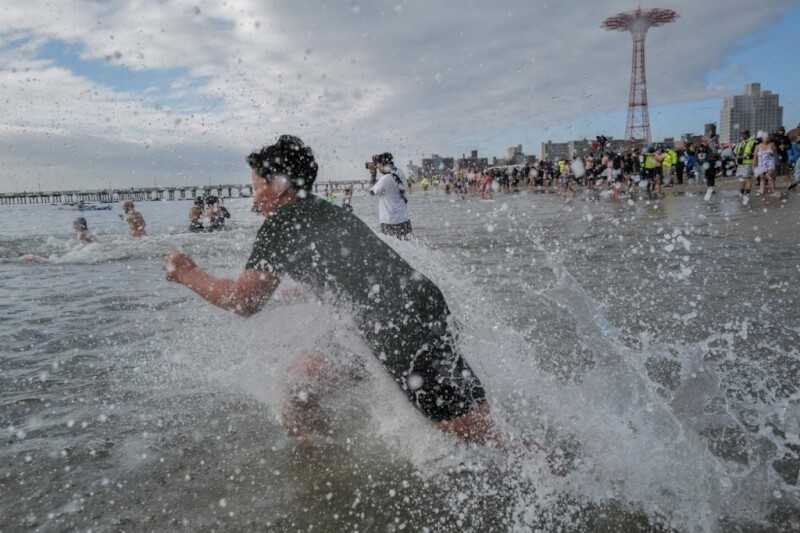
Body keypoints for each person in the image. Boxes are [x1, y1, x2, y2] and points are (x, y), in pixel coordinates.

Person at [162, 135, 499, 449]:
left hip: (397, 323)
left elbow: (243, 300)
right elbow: (355, 269)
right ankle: (328, 473)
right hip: (383, 316)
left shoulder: (281, 222)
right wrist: (308, 294)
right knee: (299, 389)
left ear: (278, 187)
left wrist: (187, 273)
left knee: (477, 437)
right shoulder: (323, 210)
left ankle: (547, 478)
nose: (254, 200)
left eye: (257, 187)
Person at [369, 152, 412, 239]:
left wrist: (373, 174)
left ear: (382, 164)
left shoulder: (385, 179)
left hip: (389, 222)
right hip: (404, 220)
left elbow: (372, 192)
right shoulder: (400, 172)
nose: (377, 167)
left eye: (378, 164)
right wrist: (378, 161)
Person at [734, 130, 757, 201]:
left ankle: (748, 192)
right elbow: (736, 151)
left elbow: (754, 153)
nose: (743, 135)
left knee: (748, 177)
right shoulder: (740, 143)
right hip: (740, 163)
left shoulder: (753, 142)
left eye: (744, 134)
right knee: (741, 178)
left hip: (748, 162)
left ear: (748, 135)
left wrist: (747, 156)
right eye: (742, 134)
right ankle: (742, 191)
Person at [753, 131, 777, 197]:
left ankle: (773, 191)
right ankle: (761, 192)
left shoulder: (772, 145)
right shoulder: (758, 146)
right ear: (762, 138)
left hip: (770, 163)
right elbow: (755, 157)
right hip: (761, 164)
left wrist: (772, 153)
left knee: (769, 177)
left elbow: (775, 153)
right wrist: (753, 166)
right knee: (762, 178)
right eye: (766, 137)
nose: (768, 139)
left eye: (768, 137)